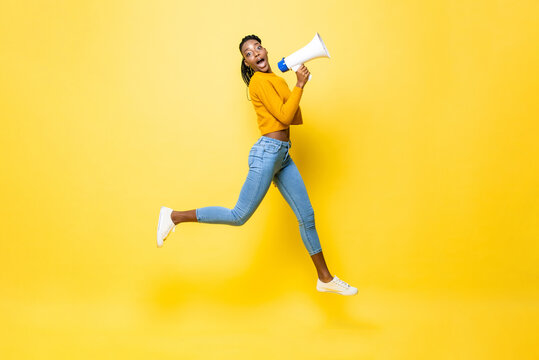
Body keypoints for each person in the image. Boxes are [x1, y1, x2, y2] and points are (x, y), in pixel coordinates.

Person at [156, 34, 357, 296]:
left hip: (282, 155)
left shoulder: (276, 79)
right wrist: (299, 86)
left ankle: (325, 278)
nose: (255, 54)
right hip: (267, 153)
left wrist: (297, 84)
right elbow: (284, 115)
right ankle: (173, 216)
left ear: (265, 50)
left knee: (306, 216)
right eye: (249, 53)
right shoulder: (258, 83)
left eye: (257, 48)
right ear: (247, 63)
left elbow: (294, 118)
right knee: (239, 216)